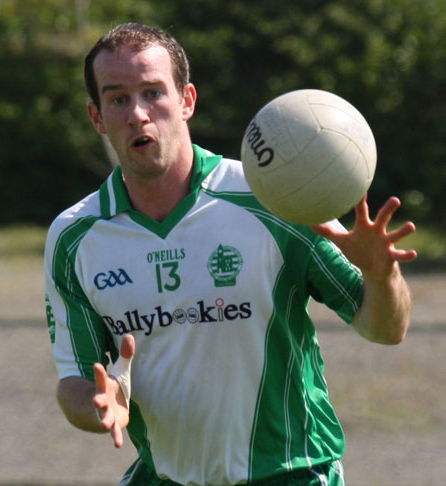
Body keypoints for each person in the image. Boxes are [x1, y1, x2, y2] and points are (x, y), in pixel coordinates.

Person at [44, 22, 417, 486]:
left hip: (291, 476)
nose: (138, 113)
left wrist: (381, 275)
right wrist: (100, 406)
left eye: (153, 93)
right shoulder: (75, 237)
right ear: (97, 117)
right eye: (118, 98)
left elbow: (386, 329)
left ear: (186, 101)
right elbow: (74, 382)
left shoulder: (274, 198)